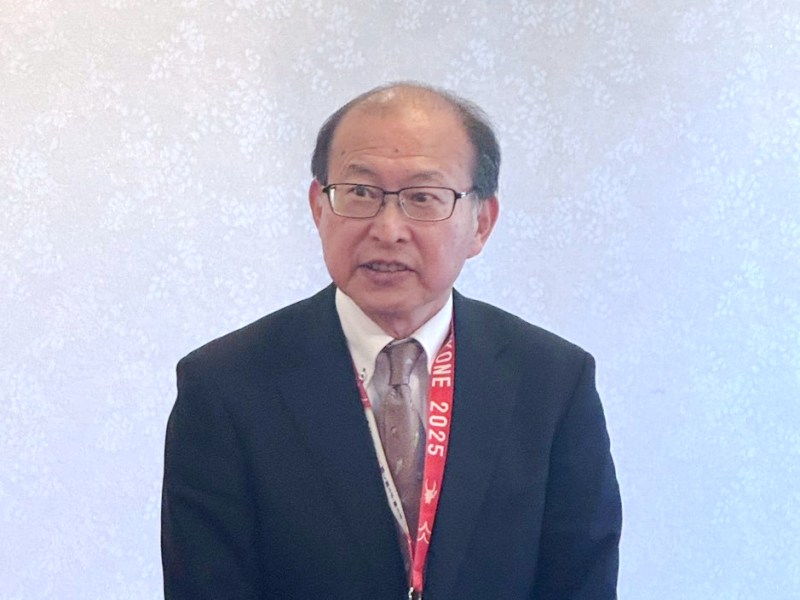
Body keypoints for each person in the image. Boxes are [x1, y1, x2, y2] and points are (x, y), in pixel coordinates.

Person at [161, 82, 622, 599]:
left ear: (481, 223)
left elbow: (581, 581)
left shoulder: (552, 382)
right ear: (318, 206)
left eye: (423, 198)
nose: (388, 229)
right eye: (360, 193)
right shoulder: (225, 385)